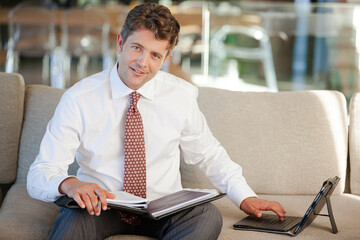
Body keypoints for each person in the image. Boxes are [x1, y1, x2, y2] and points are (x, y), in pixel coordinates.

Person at [27, 2, 286, 240]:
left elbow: (208, 154)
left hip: (164, 207)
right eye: (136, 48)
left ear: (166, 59)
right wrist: (69, 183)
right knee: (72, 221)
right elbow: (40, 174)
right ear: (120, 43)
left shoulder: (181, 95)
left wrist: (245, 196)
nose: (142, 62)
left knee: (206, 216)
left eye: (155, 55)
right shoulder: (79, 98)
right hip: (103, 206)